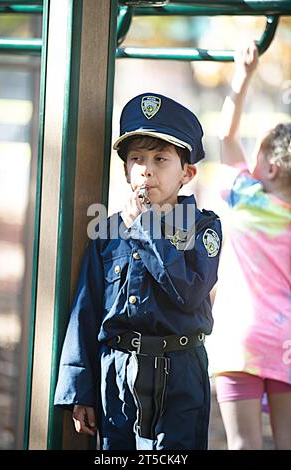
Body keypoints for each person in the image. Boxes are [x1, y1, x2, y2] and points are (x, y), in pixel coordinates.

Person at [54, 92, 222, 450]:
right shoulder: (108, 232)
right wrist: (79, 387)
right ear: (126, 170)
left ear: (187, 173)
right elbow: (87, 310)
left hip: (180, 373)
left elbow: (189, 293)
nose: (147, 169)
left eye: (161, 159)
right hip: (117, 373)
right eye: (137, 159)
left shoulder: (204, 228)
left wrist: (146, 228)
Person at [209, 42, 291, 450]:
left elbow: (225, 134)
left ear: (271, 167)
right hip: (286, 341)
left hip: (239, 340)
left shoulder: (245, 196)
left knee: (243, 443)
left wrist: (242, 77)